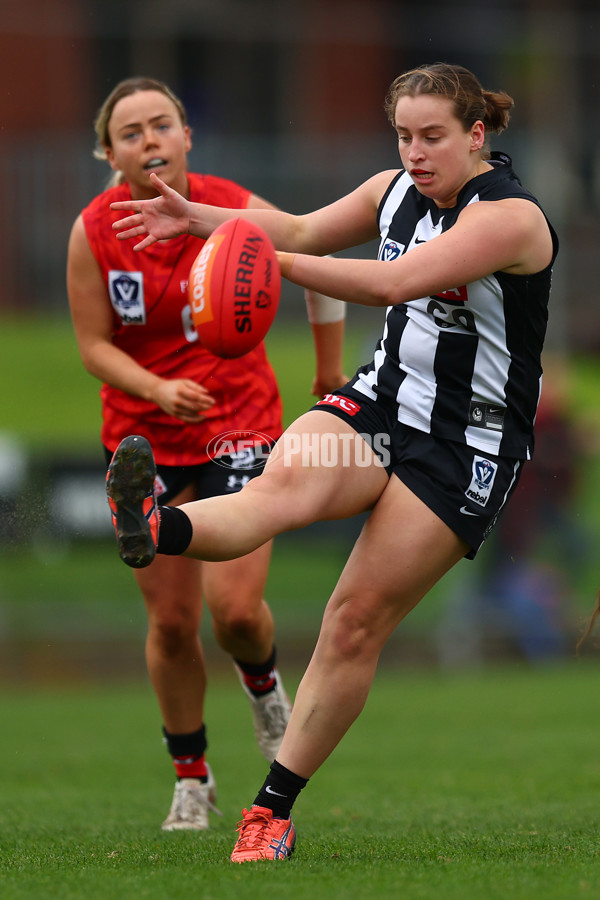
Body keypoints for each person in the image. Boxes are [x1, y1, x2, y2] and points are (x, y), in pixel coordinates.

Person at [106, 63, 558, 861]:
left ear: (477, 135)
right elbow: (308, 229)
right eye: (403, 136)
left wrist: (257, 264)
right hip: (380, 404)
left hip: (466, 447)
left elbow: (391, 283)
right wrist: (201, 218)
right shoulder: (393, 189)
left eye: (433, 137)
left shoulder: (511, 219)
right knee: (274, 491)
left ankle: (270, 810)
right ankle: (154, 525)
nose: (414, 153)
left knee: (351, 622)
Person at [66, 76, 347, 833]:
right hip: (143, 437)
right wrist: (155, 388)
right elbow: (93, 345)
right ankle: (192, 778)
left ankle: (262, 686)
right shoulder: (93, 231)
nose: (150, 139)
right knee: (169, 624)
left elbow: (315, 259)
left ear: (188, 136)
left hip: (239, 423)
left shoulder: (232, 210)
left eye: (162, 124)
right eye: (131, 132)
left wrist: (329, 366)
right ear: (109, 152)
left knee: (236, 614)